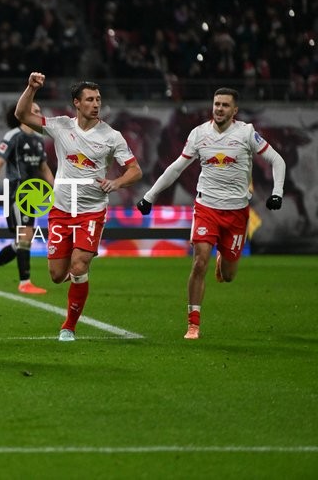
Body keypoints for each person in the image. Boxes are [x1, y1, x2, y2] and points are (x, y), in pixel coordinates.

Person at [136, 87, 286, 339]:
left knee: (228, 275)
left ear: (234, 110)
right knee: (199, 261)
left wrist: (277, 192)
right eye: (217, 104)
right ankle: (193, 323)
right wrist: (149, 196)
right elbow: (176, 168)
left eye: (225, 105)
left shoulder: (247, 133)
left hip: (237, 213)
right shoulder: (199, 134)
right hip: (206, 208)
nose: (219, 109)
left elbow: (277, 160)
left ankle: (223, 261)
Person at [15, 73, 143, 341]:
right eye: (89, 99)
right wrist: (31, 88)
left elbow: (135, 170)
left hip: (92, 212)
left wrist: (117, 183)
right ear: (77, 103)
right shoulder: (61, 126)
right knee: (56, 274)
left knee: (79, 264)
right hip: (61, 211)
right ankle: (74, 283)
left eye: (98, 99)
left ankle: (69, 326)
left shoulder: (111, 136)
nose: (95, 104)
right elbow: (22, 115)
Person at [0, 103, 55, 295]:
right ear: (24, 115)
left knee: (22, 240)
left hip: (32, 194)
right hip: (16, 193)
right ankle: (24, 282)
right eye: (35, 111)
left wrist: (56, 190)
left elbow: (43, 168)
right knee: (25, 237)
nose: (39, 114)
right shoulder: (13, 136)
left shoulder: (38, 139)